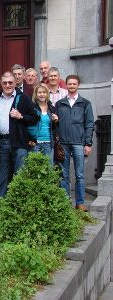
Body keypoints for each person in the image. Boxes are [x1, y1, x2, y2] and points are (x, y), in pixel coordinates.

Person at [0, 72, 38, 220]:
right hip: (2, 143)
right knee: (1, 177)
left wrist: (21, 116)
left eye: (10, 82)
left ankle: (20, 212)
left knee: (20, 177)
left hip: (19, 143)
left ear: (15, 83)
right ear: (0, 82)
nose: (8, 85)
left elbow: (34, 118)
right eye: (5, 83)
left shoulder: (22, 98)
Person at [55, 75, 95, 212]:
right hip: (64, 143)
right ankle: (65, 202)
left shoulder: (85, 103)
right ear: (66, 85)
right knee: (63, 174)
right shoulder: (59, 104)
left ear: (78, 85)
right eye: (69, 84)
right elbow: (55, 123)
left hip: (79, 142)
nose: (71, 86)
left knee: (79, 174)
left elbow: (89, 124)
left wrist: (88, 143)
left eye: (74, 84)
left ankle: (80, 202)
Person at [29, 84, 58, 164]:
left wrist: (56, 121)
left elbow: (55, 128)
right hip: (35, 143)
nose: (42, 94)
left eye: (44, 92)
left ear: (47, 94)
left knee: (49, 169)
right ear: (36, 94)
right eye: (39, 92)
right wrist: (29, 139)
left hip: (48, 143)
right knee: (35, 169)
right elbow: (28, 125)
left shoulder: (52, 108)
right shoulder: (32, 108)